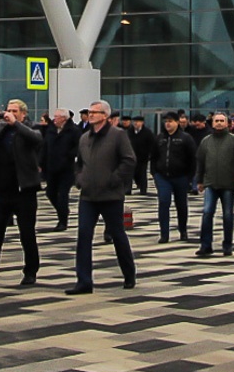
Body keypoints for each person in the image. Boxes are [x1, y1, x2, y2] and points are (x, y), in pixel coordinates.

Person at [66, 101, 135, 294]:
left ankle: (129, 274)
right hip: (88, 196)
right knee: (84, 236)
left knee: (118, 235)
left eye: (95, 112)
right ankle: (84, 281)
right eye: (89, 112)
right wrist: (80, 179)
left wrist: (114, 179)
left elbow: (129, 160)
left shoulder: (118, 135)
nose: (91, 115)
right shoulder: (84, 138)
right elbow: (78, 163)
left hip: (111, 196)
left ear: (104, 115)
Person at [0, 100, 42, 288]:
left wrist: (16, 124)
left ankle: (30, 272)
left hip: (24, 190)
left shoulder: (29, 128)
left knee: (27, 234)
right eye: (7, 110)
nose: (9, 113)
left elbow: (36, 139)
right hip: (1, 190)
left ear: (23, 114)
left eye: (14, 111)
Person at [193, 112, 234, 258]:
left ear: (227, 123)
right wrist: (199, 181)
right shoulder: (206, 141)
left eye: (221, 121)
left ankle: (227, 246)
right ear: (212, 123)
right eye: (216, 121)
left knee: (228, 215)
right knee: (207, 213)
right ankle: (206, 246)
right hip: (210, 183)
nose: (218, 123)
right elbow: (200, 162)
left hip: (229, 184)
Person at [151, 112, 195, 244]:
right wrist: (155, 173)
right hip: (163, 176)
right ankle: (164, 234)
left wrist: (190, 177)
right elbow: (153, 156)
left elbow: (192, 158)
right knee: (164, 202)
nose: (168, 124)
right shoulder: (160, 138)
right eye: (166, 121)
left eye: (170, 121)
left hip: (181, 177)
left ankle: (183, 230)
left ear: (177, 122)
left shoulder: (185, 138)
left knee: (181, 205)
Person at [40, 108, 80, 231]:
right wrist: (40, 163)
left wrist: (68, 155)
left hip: (66, 169)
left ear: (64, 118)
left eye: (57, 117)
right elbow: (45, 147)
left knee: (63, 195)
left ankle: (63, 222)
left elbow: (79, 146)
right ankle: (63, 211)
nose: (54, 119)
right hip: (51, 167)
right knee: (50, 193)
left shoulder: (73, 130)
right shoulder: (51, 130)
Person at [129, 114, 156, 194]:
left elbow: (152, 144)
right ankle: (128, 190)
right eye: (134, 122)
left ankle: (143, 190)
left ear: (142, 123)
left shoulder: (147, 132)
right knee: (130, 174)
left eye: (137, 122)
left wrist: (150, 155)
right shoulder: (129, 132)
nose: (135, 124)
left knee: (142, 174)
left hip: (143, 158)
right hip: (131, 157)